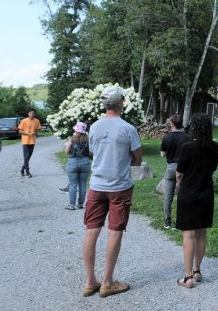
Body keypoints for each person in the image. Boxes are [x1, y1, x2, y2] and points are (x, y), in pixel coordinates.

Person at [82, 86, 142, 298]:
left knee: (91, 230)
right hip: (120, 187)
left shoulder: (95, 127)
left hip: (96, 185)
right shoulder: (128, 128)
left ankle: (90, 282)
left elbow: (92, 152)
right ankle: (107, 282)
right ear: (119, 103)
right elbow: (137, 159)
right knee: (114, 231)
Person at [175, 113, 218, 288]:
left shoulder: (187, 147)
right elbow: (213, 168)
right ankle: (197, 271)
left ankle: (187, 278)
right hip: (206, 193)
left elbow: (179, 173)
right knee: (201, 233)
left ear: (193, 127)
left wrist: (180, 183)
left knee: (189, 234)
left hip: (189, 194)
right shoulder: (214, 147)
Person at [159, 114, 190, 229]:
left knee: (168, 196)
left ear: (171, 124)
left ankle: (167, 221)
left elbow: (162, 155)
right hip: (184, 169)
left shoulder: (166, 138)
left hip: (171, 168)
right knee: (182, 195)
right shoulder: (187, 137)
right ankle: (180, 221)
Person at [64, 122, 91, 210]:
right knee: (83, 184)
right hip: (85, 162)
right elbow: (91, 153)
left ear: (77, 130)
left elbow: (66, 151)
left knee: (73, 185)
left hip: (73, 162)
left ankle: (72, 205)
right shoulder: (88, 140)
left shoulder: (72, 139)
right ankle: (80, 204)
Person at [18, 109, 41, 177]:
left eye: (33, 113)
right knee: (26, 156)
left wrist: (35, 132)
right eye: (30, 113)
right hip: (25, 141)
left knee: (28, 157)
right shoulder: (24, 121)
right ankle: (27, 172)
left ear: (34, 114)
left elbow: (38, 130)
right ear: (28, 114)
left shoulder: (37, 121)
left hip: (32, 141)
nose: (32, 114)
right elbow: (20, 131)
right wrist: (27, 134)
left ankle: (22, 169)